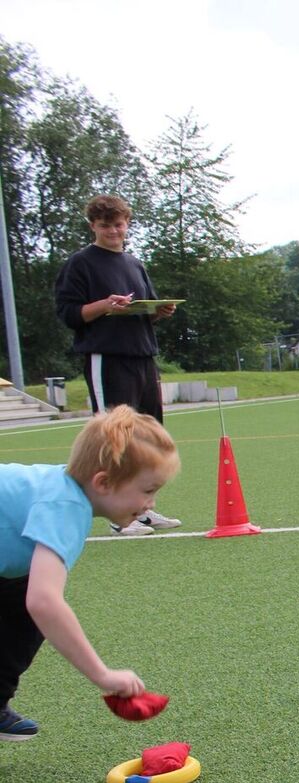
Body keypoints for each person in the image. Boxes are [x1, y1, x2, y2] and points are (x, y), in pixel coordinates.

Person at [0, 406, 178, 741]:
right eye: (148, 490)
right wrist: (102, 675)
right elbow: (44, 601)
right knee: (32, 604)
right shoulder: (66, 508)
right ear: (103, 482)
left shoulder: (62, 491)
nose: (152, 504)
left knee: (20, 606)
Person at [53, 194, 182, 537]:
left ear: (127, 225)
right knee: (113, 436)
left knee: (148, 435)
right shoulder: (80, 264)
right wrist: (105, 306)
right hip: (106, 357)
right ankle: (117, 516)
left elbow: (144, 310)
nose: (113, 231)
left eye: (119, 224)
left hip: (142, 356)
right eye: (105, 225)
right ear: (93, 226)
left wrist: (158, 312)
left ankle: (141, 509)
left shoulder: (134, 264)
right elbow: (69, 314)